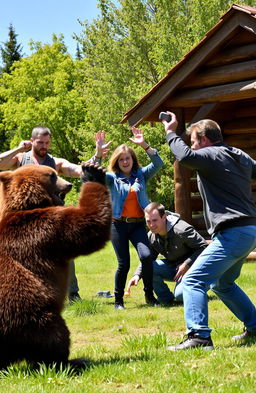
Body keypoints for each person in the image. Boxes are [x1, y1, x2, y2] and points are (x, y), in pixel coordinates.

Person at [160, 112, 256, 350]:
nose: (193, 146)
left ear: (204, 139)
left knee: (193, 281)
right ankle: (255, 327)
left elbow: (183, 155)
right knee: (223, 283)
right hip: (249, 229)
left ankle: (199, 337)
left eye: (193, 141)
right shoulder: (239, 155)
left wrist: (171, 132)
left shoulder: (210, 154)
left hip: (233, 232)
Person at [0, 125, 109, 303]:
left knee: (65, 254)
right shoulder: (21, 158)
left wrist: (96, 156)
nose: (44, 146)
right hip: (22, 219)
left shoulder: (55, 162)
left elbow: (80, 170)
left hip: (49, 218)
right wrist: (19, 148)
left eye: (47, 143)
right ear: (32, 141)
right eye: (40, 142)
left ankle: (72, 293)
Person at [96, 128, 164, 310]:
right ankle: (118, 301)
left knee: (147, 256)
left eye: (128, 158)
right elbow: (94, 175)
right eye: (121, 159)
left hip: (138, 225)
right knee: (123, 264)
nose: (125, 161)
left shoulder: (141, 175)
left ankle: (150, 295)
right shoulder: (112, 178)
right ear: (117, 162)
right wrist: (98, 154)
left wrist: (144, 145)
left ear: (133, 160)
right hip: (118, 226)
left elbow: (158, 163)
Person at [127, 202, 207, 304]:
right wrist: (137, 275)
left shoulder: (181, 230)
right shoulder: (152, 236)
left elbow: (204, 248)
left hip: (195, 268)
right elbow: (148, 258)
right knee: (150, 267)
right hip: (175, 268)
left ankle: (204, 286)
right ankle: (166, 300)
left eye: (155, 220)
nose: (151, 225)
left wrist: (187, 264)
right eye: (148, 221)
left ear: (164, 217)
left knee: (180, 295)